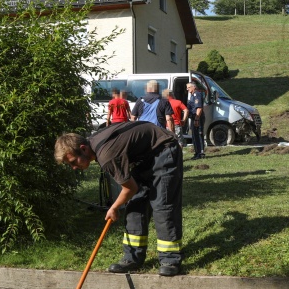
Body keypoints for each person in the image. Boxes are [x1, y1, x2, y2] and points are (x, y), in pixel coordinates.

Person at [54, 122, 184, 276]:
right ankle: (132, 258)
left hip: (164, 148)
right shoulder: (93, 143)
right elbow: (133, 190)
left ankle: (170, 260)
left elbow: (130, 188)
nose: (74, 167)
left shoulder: (106, 155)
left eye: (74, 162)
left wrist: (114, 207)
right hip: (144, 157)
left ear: (83, 148)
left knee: (163, 206)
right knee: (135, 205)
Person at [186, 82, 205, 159]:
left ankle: (200, 153)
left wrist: (197, 119)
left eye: (189, 87)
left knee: (198, 135)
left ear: (194, 87)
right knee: (194, 135)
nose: (187, 89)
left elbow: (199, 108)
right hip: (194, 117)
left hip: (197, 117)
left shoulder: (197, 94)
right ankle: (197, 152)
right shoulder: (192, 95)